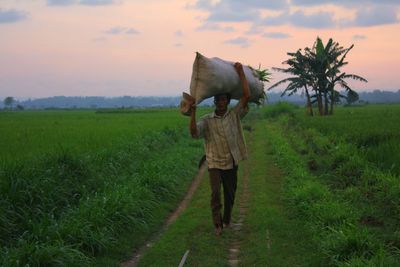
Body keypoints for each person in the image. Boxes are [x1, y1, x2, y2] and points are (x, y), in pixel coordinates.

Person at [189, 62, 250, 236]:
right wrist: (193, 112)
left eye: (224, 100)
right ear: (215, 102)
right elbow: (194, 133)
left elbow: (246, 95)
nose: (221, 102)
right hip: (214, 162)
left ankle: (227, 218)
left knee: (230, 195)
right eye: (218, 100)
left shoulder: (234, 114)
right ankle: (217, 225)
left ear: (228, 101)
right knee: (215, 193)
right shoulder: (207, 120)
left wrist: (240, 72)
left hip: (231, 161)